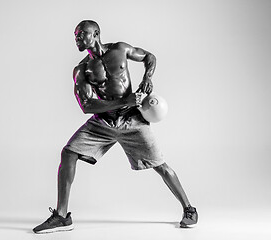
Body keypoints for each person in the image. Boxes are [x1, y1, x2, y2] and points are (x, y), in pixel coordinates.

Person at [33, 20, 198, 234]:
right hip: (103, 121)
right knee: (68, 153)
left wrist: (148, 76)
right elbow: (87, 105)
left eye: (81, 33)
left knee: (160, 165)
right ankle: (62, 217)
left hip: (132, 120)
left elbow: (149, 57)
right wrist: (124, 101)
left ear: (96, 34)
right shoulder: (81, 70)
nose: (77, 38)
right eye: (75, 35)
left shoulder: (120, 49)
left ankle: (189, 209)